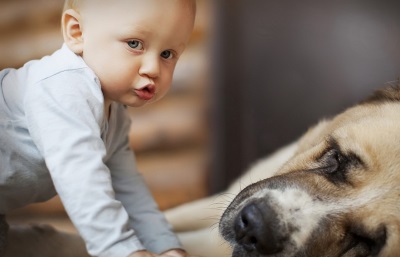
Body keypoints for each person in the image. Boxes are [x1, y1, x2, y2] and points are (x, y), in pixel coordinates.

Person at [0, 0, 197, 257]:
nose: (153, 69)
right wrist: (120, 249)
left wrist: (166, 247)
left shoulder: (116, 117)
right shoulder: (62, 86)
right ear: (77, 32)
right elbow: (81, 177)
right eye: (134, 44)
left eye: (167, 54)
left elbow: (129, 188)